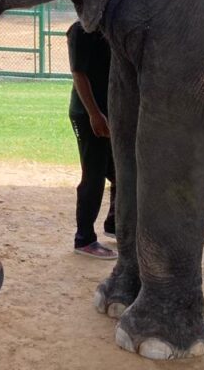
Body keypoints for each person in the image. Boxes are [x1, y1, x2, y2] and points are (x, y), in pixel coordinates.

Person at [67, 21, 116, 259]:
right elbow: (79, 73)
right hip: (88, 115)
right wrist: (94, 114)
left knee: (121, 172)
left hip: (109, 114)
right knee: (94, 175)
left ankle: (114, 224)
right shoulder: (81, 31)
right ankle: (84, 239)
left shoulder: (109, 28)